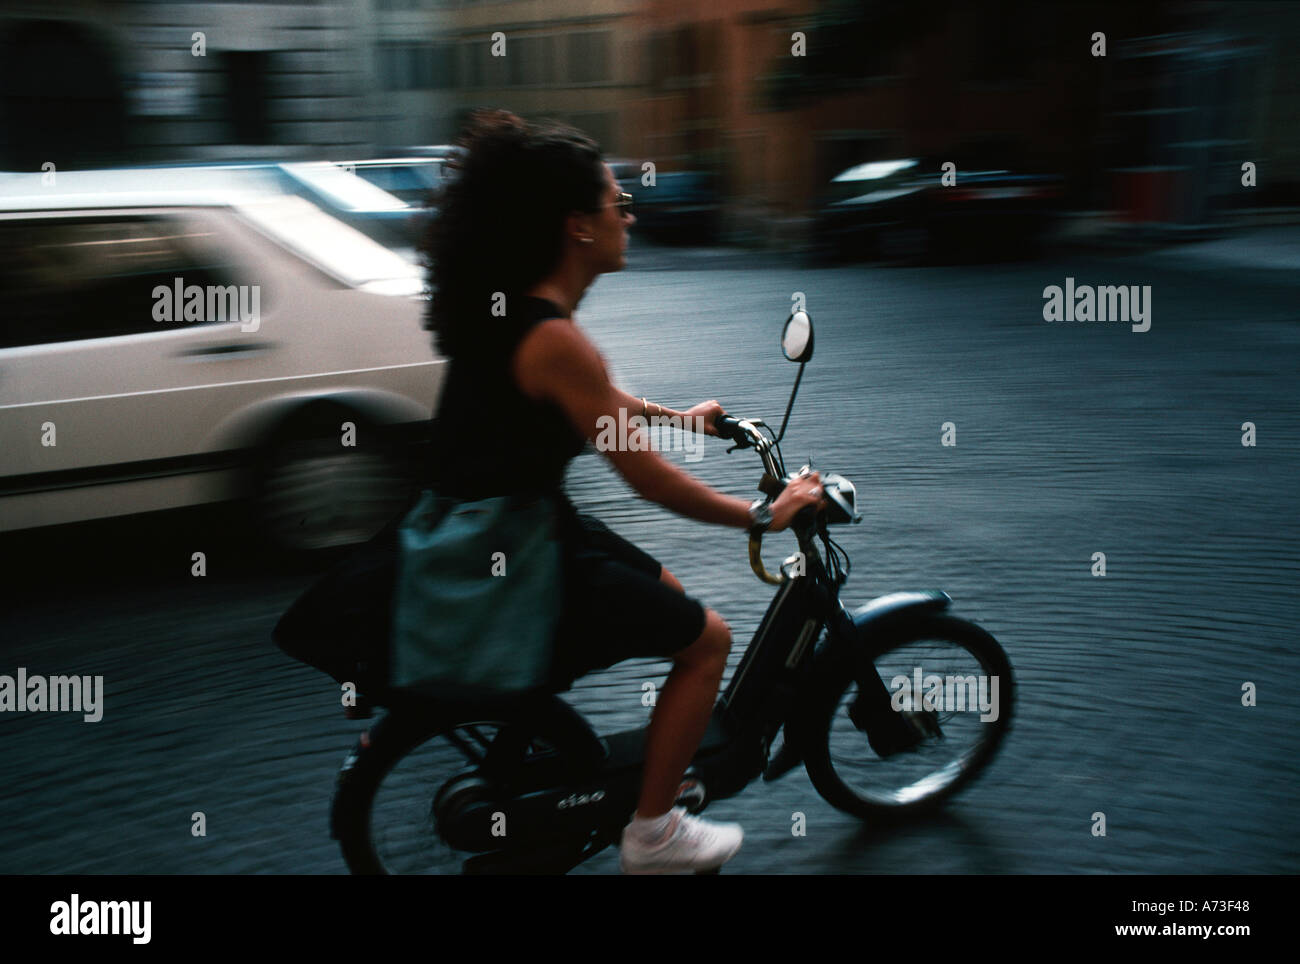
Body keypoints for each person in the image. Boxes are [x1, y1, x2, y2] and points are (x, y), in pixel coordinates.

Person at [418, 109, 823, 874]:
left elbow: (603, 410)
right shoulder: (555, 337)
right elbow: (640, 473)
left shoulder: (525, 317)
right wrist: (762, 515)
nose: (629, 215)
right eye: (616, 202)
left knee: (665, 592)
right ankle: (652, 833)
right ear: (576, 226)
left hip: (498, 528)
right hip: (514, 548)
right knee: (707, 641)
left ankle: (638, 776)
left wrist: (692, 423)